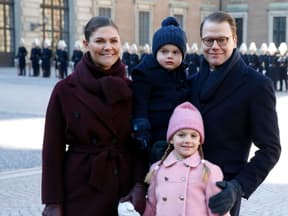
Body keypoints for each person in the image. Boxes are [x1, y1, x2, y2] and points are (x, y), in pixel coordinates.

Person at [41, 16, 147, 216]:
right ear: (86, 44)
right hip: (81, 186)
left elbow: (139, 144)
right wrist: (52, 201)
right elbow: (52, 149)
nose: (108, 47)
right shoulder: (65, 90)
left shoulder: (131, 89)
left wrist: (139, 185)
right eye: (100, 41)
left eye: (113, 41)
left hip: (123, 189)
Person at [188, 11, 281, 216]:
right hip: (185, 187)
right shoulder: (190, 82)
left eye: (222, 39)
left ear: (234, 40)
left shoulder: (256, 85)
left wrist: (238, 187)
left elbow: (271, 149)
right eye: (209, 40)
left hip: (222, 191)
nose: (215, 46)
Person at [143, 102, 230, 216]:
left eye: (193, 136)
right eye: (181, 135)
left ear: (199, 141)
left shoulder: (209, 170)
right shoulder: (157, 169)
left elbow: (218, 211)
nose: (188, 140)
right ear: (171, 139)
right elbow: (151, 207)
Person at [131, 16, 189, 165]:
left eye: (175, 52)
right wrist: (141, 132)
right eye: (164, 51)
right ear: (155, 52)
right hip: (153, 133)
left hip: (177, 134)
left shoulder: (182, 74)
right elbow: (140, 105)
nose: (170, 56)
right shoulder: (145, 72)